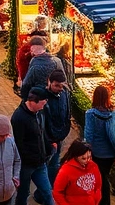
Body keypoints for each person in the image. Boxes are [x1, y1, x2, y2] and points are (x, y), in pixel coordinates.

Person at [11, 87, 55, 205]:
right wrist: (31, 158)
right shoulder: (19, 117)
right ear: (33, 101)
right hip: (26, 166)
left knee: (48, 193)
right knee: (23, 194)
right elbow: (19, 144)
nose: (43, 107)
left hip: (40, 163)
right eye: (42, 103)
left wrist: (49, 146)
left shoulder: (39, 113)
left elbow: (41, 132)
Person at [84, 85, 115, 205]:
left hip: (96, 153)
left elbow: (88, 135)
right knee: (103, 178)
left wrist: (86, 152)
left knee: (100, 180)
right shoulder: (113, 112)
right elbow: (113, 136)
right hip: (109, 154)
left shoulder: (90, 114)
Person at [43, 69, 72, 197]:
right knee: (47, 166)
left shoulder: (64, 94)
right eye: (56, 85)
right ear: (49, 82)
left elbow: (67, 113)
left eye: (62, 85)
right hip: (47, 139)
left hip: (59, 136)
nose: (60, 88)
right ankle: (46, 193)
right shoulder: (43, 97)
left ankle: (45, 193)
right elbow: (43, 122)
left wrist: (64, 132)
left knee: (54, 165)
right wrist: (50, 139)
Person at [53, 140, 102, 205]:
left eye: (89, 157)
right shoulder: (66, 170)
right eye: (83, 158)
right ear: (76, 156)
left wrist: (96, 200)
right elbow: (57, 192)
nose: (87, 161)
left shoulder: (93, 166)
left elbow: (98, 186)